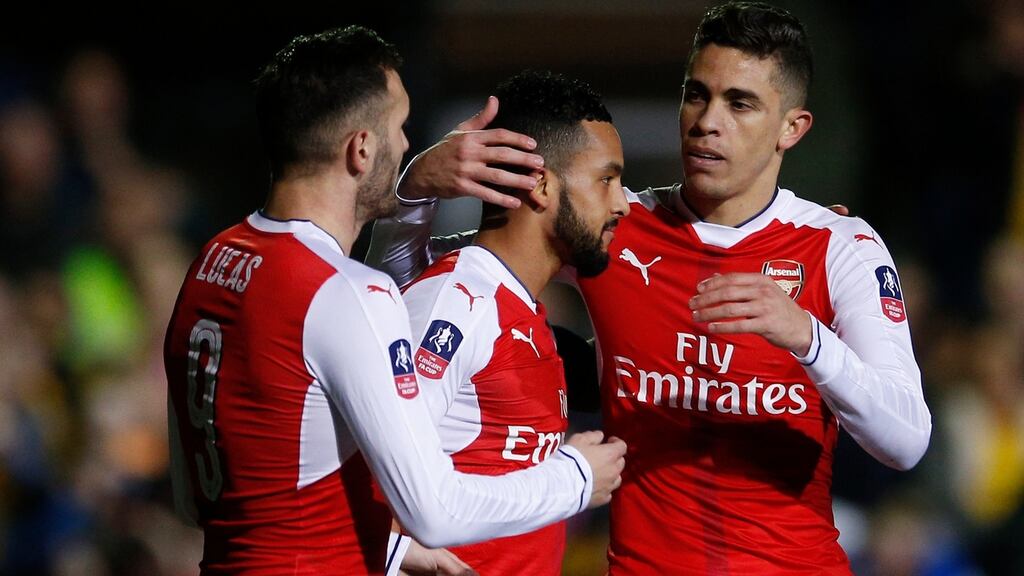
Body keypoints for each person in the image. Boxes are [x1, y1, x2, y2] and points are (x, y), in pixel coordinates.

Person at [368, 2, 932, 574]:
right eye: (696, 94)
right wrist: (414, 191)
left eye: (740, 103)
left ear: (793, 127)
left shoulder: (838, 247)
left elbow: (906, 439)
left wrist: (808, 337)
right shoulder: (616, 226)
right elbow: (411, 293)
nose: (708, 120)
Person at [163, 26, 626, 576]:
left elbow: (195, 498)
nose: (410, 146)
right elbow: (430, 509)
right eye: (400, 127)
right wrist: (573, 477)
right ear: (361, 147)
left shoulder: (214, 262)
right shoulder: (351, 293)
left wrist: (393, 551)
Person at [391, 70, 628, 576]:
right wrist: (572, 479)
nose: (622, 203)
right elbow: (380, 480)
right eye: (607, 180)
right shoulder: (454, 303)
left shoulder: (523, 311)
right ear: (541, 184)